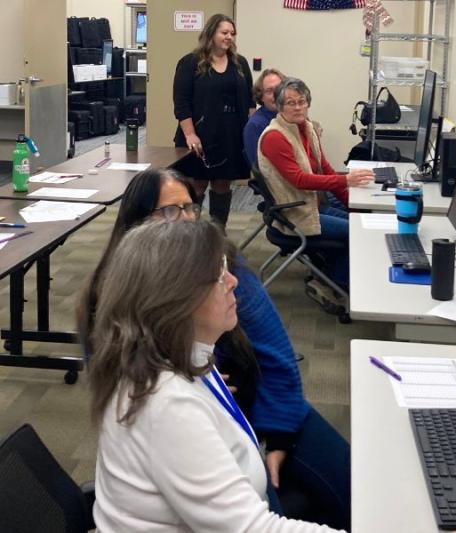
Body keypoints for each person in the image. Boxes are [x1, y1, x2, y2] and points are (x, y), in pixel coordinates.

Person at [78, 168, 352, 531]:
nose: (234, 281)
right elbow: (252, 527)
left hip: (240, 424)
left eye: (190, 207)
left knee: (353, 485)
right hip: (207, 454)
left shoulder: (189, 355)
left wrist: (276, 429)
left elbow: (276, 357)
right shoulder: (166, 401)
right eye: (218, 274)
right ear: (174, 296)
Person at [258, 77, 374, 288]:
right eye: (291, 103)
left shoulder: (306, 128)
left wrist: (353, 204)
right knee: (356, 232)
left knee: (361, 222)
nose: (298, 107)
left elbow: (325, 169)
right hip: (295, 215)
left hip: (313, 204)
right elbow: (299, 180)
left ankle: (330, 275)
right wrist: (346, 179)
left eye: (302, 101)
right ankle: (335, 285)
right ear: (279, 106)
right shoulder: (275, 137)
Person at [173, 13, 255, 226]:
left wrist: (251, 135)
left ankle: (218, 234)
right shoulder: (190, 62)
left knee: (222, 185)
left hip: (229, 135)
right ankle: (191, 234)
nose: (229, 37)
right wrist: (190, 134)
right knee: (197, 185)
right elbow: (181, 103)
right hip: (199, 135)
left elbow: (250, 102)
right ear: (211, 33)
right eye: (224, 32)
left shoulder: (240, 63)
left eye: (232, 33)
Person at [244, 68, 285, 167]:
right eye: (269, 91)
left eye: (279, 89)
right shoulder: (255, 126)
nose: (276, 95)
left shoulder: (291, 116)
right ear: (261, 96)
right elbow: (259, 168)